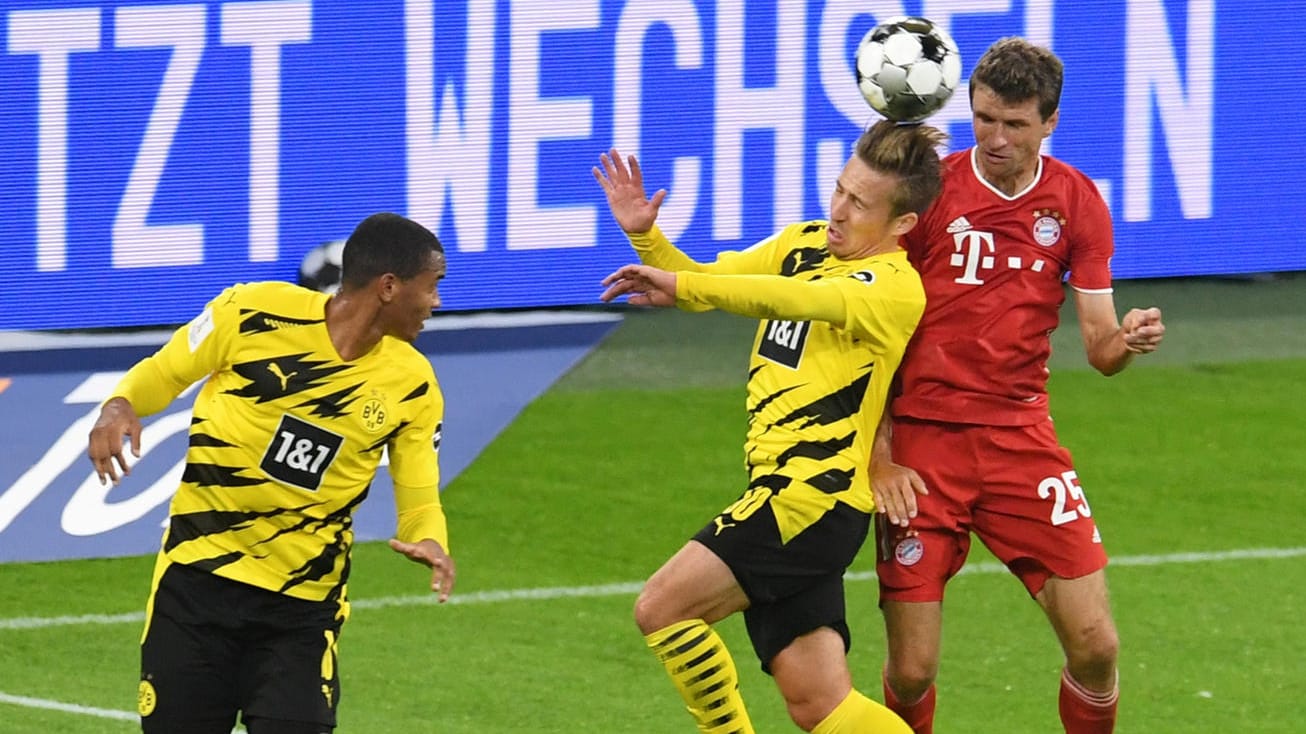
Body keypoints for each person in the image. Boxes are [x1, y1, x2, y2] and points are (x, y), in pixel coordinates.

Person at [593, 118, 946, 734]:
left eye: (859, 203)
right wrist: (650, 242)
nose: (838, 209)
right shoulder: (802, 244)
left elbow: (789, 300)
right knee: (822, 706)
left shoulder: (895, 288)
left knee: (663, 608)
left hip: (811, 502)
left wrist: (682, 284)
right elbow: (710, 285)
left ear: (902, 225)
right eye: (839, 188)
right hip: (785, 499)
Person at [868, 38, 1166, 734]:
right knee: (911, 672)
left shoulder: (1077, 201)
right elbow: (875, 331)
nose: (995, 138)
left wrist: (1127, 340)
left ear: (1050, 123)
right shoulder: (930, 194)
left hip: (1019, 444)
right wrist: (879, 454)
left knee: (1097, 647)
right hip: (923, 447)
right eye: (984, 119)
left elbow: (1098, 348)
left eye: (1015, 124)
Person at [86, 212, 457, 734]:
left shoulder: (413, 384)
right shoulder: (252, 313)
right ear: (389, 287)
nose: (437, 303)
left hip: (301, 615)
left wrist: (431, 541)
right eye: (433, 286)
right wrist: (119, 404)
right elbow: (164, 372)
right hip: (196, 592)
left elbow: (419, 502)